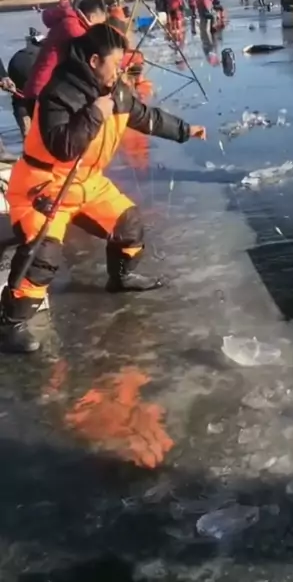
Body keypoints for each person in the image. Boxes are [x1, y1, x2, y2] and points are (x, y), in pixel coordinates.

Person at [0, 24, 207, 354]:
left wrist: (185, 130)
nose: (119, 71)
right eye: (115, 64)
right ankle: (11, 322)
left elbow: (147, 117)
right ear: (94, 61)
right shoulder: (58, 93)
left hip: (87, 183)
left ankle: (120, 278)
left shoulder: (118, 92)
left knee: (129, 225)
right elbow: (64, 147)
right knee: (43, 257)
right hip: (43, 187)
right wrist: (95, 112)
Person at [24, 0, 106, 103]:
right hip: (42, 89)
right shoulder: (73, 27)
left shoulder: (71, 21)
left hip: (44, 85)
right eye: (101, 23)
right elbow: (93, 49)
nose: (101, 27)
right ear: (92, 18)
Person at [7, 30, 45, 138]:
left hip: (16, 66)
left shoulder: (20, 54)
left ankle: (27, 134)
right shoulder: (47, 51)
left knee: (20, 100)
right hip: (34, 71)